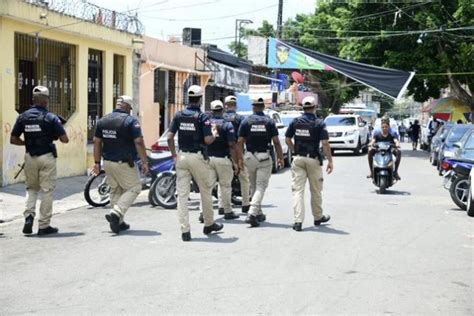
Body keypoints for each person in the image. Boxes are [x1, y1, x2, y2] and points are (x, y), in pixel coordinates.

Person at [10, 86, 69, 235]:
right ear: (46, 100)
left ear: (33, 99)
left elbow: (13, 139)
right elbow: (65, 139)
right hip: (47, 157)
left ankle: (29, 216)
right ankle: (43, 226)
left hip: (30, 157)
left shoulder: (22, 117)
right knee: (47, 191)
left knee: (31, 189)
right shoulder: (51, 117)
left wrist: (27, 143)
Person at [167, 85, 223, 241]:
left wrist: (174, 155)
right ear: (200, 99)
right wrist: (214, 133)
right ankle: (209, 223)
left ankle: (185, 231)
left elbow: (170, 138)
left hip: (182, 157)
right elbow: (208, 140)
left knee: (182, 195)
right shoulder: (202, 117)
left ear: (188, 98)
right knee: (205, 190)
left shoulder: (179, 115)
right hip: (197, 157)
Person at [91, 95, 149, 234]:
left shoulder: (103, 120)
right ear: (128, 107)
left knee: (115, 190)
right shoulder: (130, 121)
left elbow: (97, 142)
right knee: (134, 188)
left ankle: (119, 222)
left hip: (108, 163)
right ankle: (116, 212)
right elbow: (139, 142)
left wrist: (97, 163)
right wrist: (145, 162)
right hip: (123, 163)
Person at [285, 96, 333, 231]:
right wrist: (330, 160)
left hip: (298, 159)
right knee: (316, 190)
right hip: (313, 160)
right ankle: (318, 217)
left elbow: (287, 139)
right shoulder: (319, 123)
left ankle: (297, 222)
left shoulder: (295, 122)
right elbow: (325, 143)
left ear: (303, 108)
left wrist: (295, 150)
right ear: (315, 108)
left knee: (297, 191)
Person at [237, 98, 284, 227]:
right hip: (264, 157)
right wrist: (280, 157)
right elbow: (276, 142)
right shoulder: (269, 121)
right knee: (261, 186)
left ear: (253, 107)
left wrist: (240, 158)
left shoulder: (246, 121)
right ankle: (252, 213)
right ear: (263, 107)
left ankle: (258, 213)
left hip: (249, 157)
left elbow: (240, 142)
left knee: (253, 186)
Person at [201, 100, 241, 221]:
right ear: (222, 110)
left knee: (206, 187)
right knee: (225, 186)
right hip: (223, 159)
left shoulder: (206, 123)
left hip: (208, 159)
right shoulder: (227, 125)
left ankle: (203, 213)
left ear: (212, 111)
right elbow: (232, 145)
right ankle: (227, 211)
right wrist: (235, 162)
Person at [223, 95, 250, 214]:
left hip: (222, 153)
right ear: (236, 106)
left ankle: (222, 205)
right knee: (244, 178)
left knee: (223, 180)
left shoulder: (220, 118)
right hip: (238, 152)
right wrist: (240, 157)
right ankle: (245, 204)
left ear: (225, 105)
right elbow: (243, 139)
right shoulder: (241, 119)